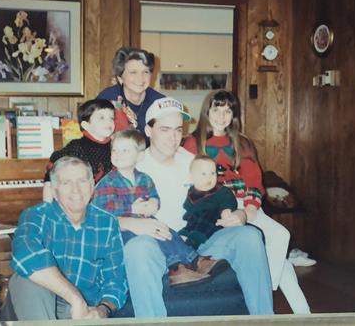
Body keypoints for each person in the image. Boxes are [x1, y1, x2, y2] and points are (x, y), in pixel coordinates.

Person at [120, 97, 273, 317]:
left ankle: (264, 320)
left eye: (178, 130)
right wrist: (133, 223)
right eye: (164, 129)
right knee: (138, 248)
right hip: (160, 247)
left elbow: (220, 194)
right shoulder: (132, 166)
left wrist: (239, 213)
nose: (173, 137)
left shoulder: (192, 160)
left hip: (200, 241)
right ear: (148, 129)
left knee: (248, 235)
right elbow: (102, 214)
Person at [183, 89, 310, 314]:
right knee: (282, 261)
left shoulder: (242, 143)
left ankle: (297, 309)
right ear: (206, 112)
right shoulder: (192, 143)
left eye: (227, 111)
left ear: (234, 115)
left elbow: (254, 178)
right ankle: (293, 308)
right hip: (215, 207)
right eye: (216, 109)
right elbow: (186, 181)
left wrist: (251, 208)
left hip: (245, 203)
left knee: (281, 236)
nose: (221, 116)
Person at [92, 129, 222, 287]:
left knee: (164, 230)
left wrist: (153, 203)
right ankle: (178, 267)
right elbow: (102, 211)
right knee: (154, 234)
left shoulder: (144, 178)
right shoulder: (107, 182)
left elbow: (154, 196)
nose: (118, 154)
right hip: (121, 233)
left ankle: (194, 262)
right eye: (115, 150)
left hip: (146, 222)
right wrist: (131, 208)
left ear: (139, 156)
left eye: (125, 150)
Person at [4, 156, 128, 320]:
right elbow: (26, 256)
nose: (75, 190)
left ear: (92, 187)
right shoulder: (36, 215)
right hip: (35, 304)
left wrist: (102, 310)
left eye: (82, 181)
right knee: (27, 280)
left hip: (81, 313)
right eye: (66, 183)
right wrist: (76, 299)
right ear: (54, 191)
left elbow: (115, 282)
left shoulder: (107, 223)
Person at [43, 99, 115, 201]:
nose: (109, 122)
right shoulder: (77, 147)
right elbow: (51, 171)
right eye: (102, 118)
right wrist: (47, 206)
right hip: (82, 202)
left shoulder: (116, 146)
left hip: (111, 199)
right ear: (86, 125)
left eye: (111, 118)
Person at [97, 47, 164, 134]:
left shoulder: (160, 103)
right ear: (120, 78)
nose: (140, 78)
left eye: (146, 72)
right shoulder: (107, 98)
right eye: (133, 72)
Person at [179, 155, 239, 250]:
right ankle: (182, 236)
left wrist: (226, 209)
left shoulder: (221, 190)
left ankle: (193, 242)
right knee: (189, 226)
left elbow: (228, 199)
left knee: (206, 220)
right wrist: (188, 214)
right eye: (204, 174)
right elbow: (188, 205)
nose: (209, 177)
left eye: (212, 173)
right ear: (192, 177)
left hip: (213, 221)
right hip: (195, 219)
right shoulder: (191, 191)